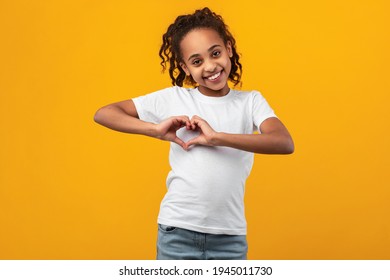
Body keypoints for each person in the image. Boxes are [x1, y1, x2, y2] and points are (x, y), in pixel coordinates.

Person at [94, 7, 294, 260]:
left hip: (229, 236)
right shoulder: (174, 97)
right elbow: (104, 113)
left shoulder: (250, 101)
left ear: (229, 49)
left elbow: (284, 142)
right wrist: (154, 130)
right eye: (197, 61)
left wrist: (216, 137)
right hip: (177, 231)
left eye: (216, 53)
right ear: (185, 67)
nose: (210, 66)